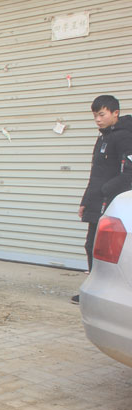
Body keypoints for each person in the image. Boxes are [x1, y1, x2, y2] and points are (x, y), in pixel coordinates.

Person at [74, 95, 132, 303]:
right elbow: (96, 173)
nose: (97, 119)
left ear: (115, 113)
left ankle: (105, 292)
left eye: (101, 114)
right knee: (91, 246)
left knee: (105, 249)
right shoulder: (103, 137)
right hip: (96, 200)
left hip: (111, 202)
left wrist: (107, 191)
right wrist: (86, 200)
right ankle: (93, 289)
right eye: (95, 115)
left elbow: (128, 173)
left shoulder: (125, 137)